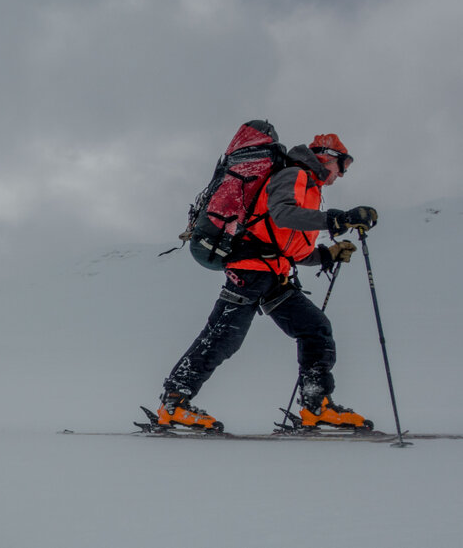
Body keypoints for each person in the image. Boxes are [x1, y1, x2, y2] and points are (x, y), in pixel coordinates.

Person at [157, 131, 378, 430]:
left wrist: (327, 255)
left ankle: (316, 405)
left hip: (272, 272)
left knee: (315, 328)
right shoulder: (294, 173)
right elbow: (283, 214)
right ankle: (174, 402)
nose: (343, 174)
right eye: (344, 165)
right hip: (251, 270)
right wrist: (335, 219)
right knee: (224, 337)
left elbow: (286, 245)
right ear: (327, 157)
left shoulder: (309, 186)